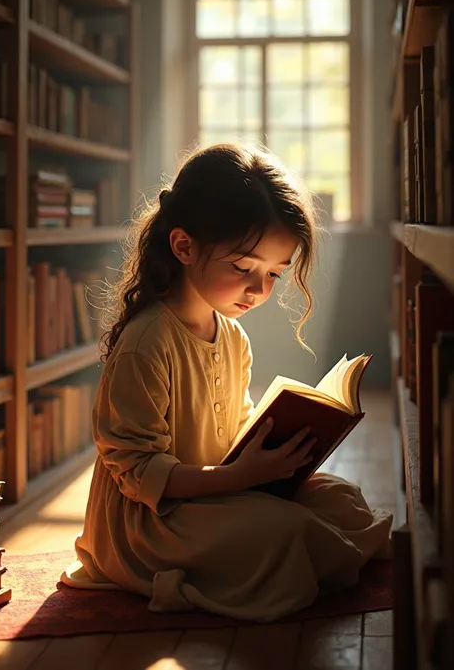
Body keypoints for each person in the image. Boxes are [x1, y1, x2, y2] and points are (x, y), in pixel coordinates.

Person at [61, 143, 392, 622]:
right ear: (184, 247)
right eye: (243, 268)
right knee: (282, 532)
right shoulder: (146, 343)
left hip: (216, 489)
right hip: (152, 520)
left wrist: (277, 456)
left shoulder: (232, 336)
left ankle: (306, 556)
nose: (259, 290)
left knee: (342, 500)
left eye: (274, 273)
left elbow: (233, 424)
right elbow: (135, 473)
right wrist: (240, 479)